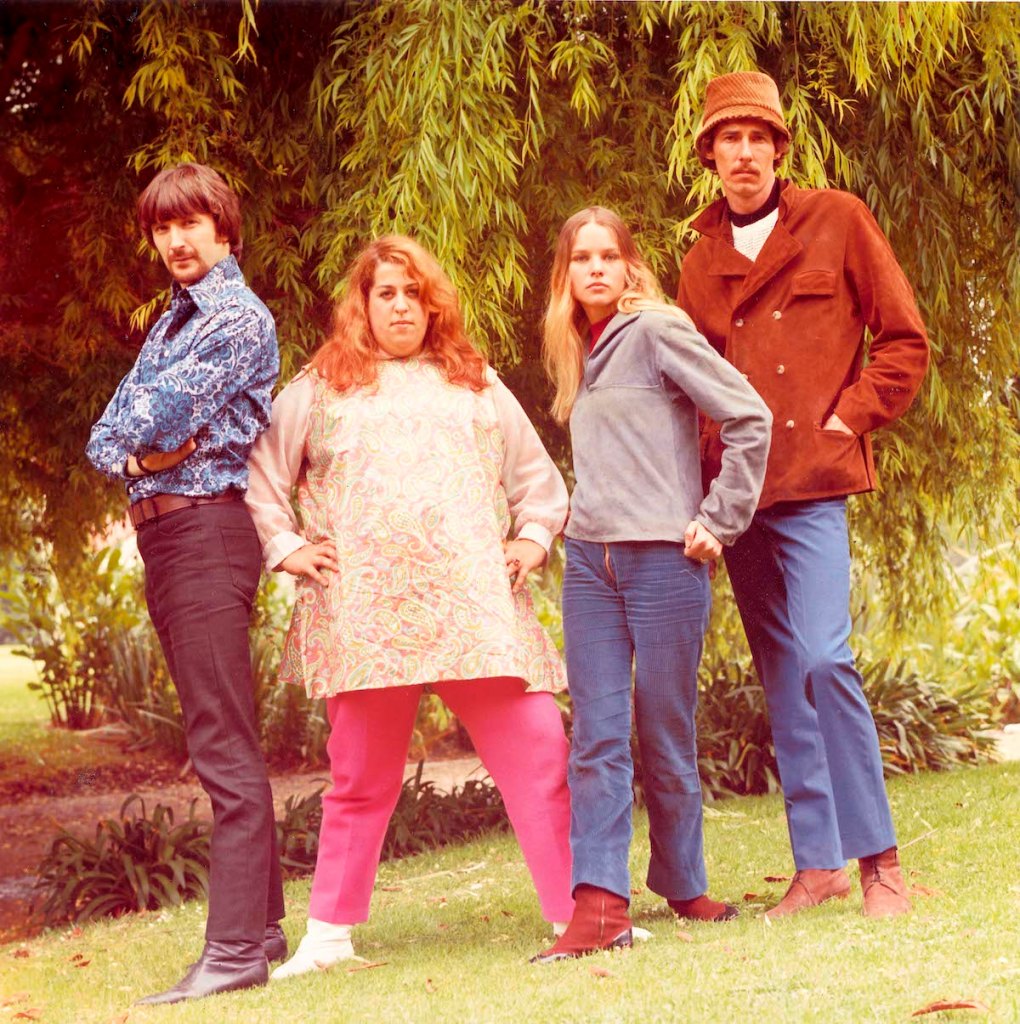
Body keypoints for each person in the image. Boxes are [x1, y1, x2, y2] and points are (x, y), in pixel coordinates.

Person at [244, 235, 575, 977]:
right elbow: (262, 473)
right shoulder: (321, 385)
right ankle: (327, 938)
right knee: (360, 777)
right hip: (367, 618)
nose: (400, 306)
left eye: (413, 294)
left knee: (540, 753)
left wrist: (529, 537)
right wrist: (285, 546)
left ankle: (577, 913)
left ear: (435, 305)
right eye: (385, 293)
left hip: (474, 612)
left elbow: (537, 479)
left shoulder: (476, 382)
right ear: (361, 304)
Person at [677, 71, 930, 919]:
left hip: (816, 482)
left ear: (779, 149)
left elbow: (904, 341)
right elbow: (686, 387)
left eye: (758, 139)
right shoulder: (699, 259)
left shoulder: (838, 219)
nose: (743, 154)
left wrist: (846, 419)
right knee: (783, 676)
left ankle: (879, 861)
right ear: (709, 154)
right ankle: (816, 863)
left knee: (827, 657)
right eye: (728, 140)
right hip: (739, 498)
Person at [533, 207, 772, 963]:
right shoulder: (580, 348)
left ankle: (683, 883)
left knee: (665, 727)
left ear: (630, 265)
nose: (596, 269)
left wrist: (719, 518)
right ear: (566, 274)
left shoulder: (659, 330)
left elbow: (748, 415)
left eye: (609, 256)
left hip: (667, 562)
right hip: (590, 566)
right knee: (597, 737)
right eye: (582, 258)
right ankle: (599, 905)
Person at [86, 162, 284, 1004]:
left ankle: (235, 951)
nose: (175, 240)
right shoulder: (172, 323)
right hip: (170, 537)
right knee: (222, 736)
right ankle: (264, 929)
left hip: (206, 532)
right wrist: (139, 453)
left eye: (191, 223)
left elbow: (152, 419)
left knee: (221, 745)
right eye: (163, 228)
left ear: (224, 230)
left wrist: (144, 443)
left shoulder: (235, 319)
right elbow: (106, 438)